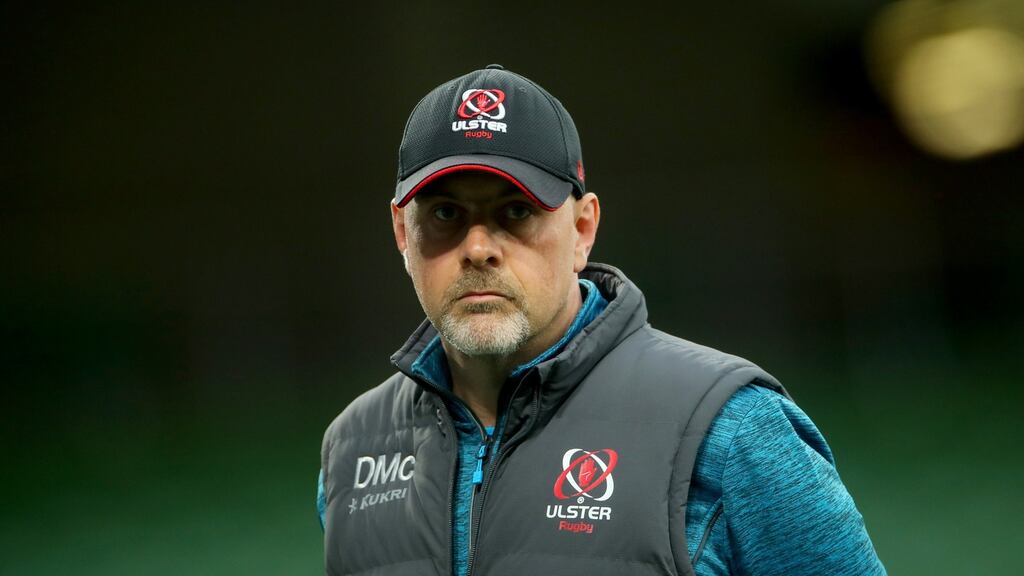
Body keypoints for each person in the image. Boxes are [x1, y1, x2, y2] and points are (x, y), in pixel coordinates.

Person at [317, 64, 886, 576]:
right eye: (446, 213)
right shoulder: (353, 448)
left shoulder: (730, 428)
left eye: (516, 211)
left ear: (582, 231)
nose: (479, 248)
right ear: (402, 233)